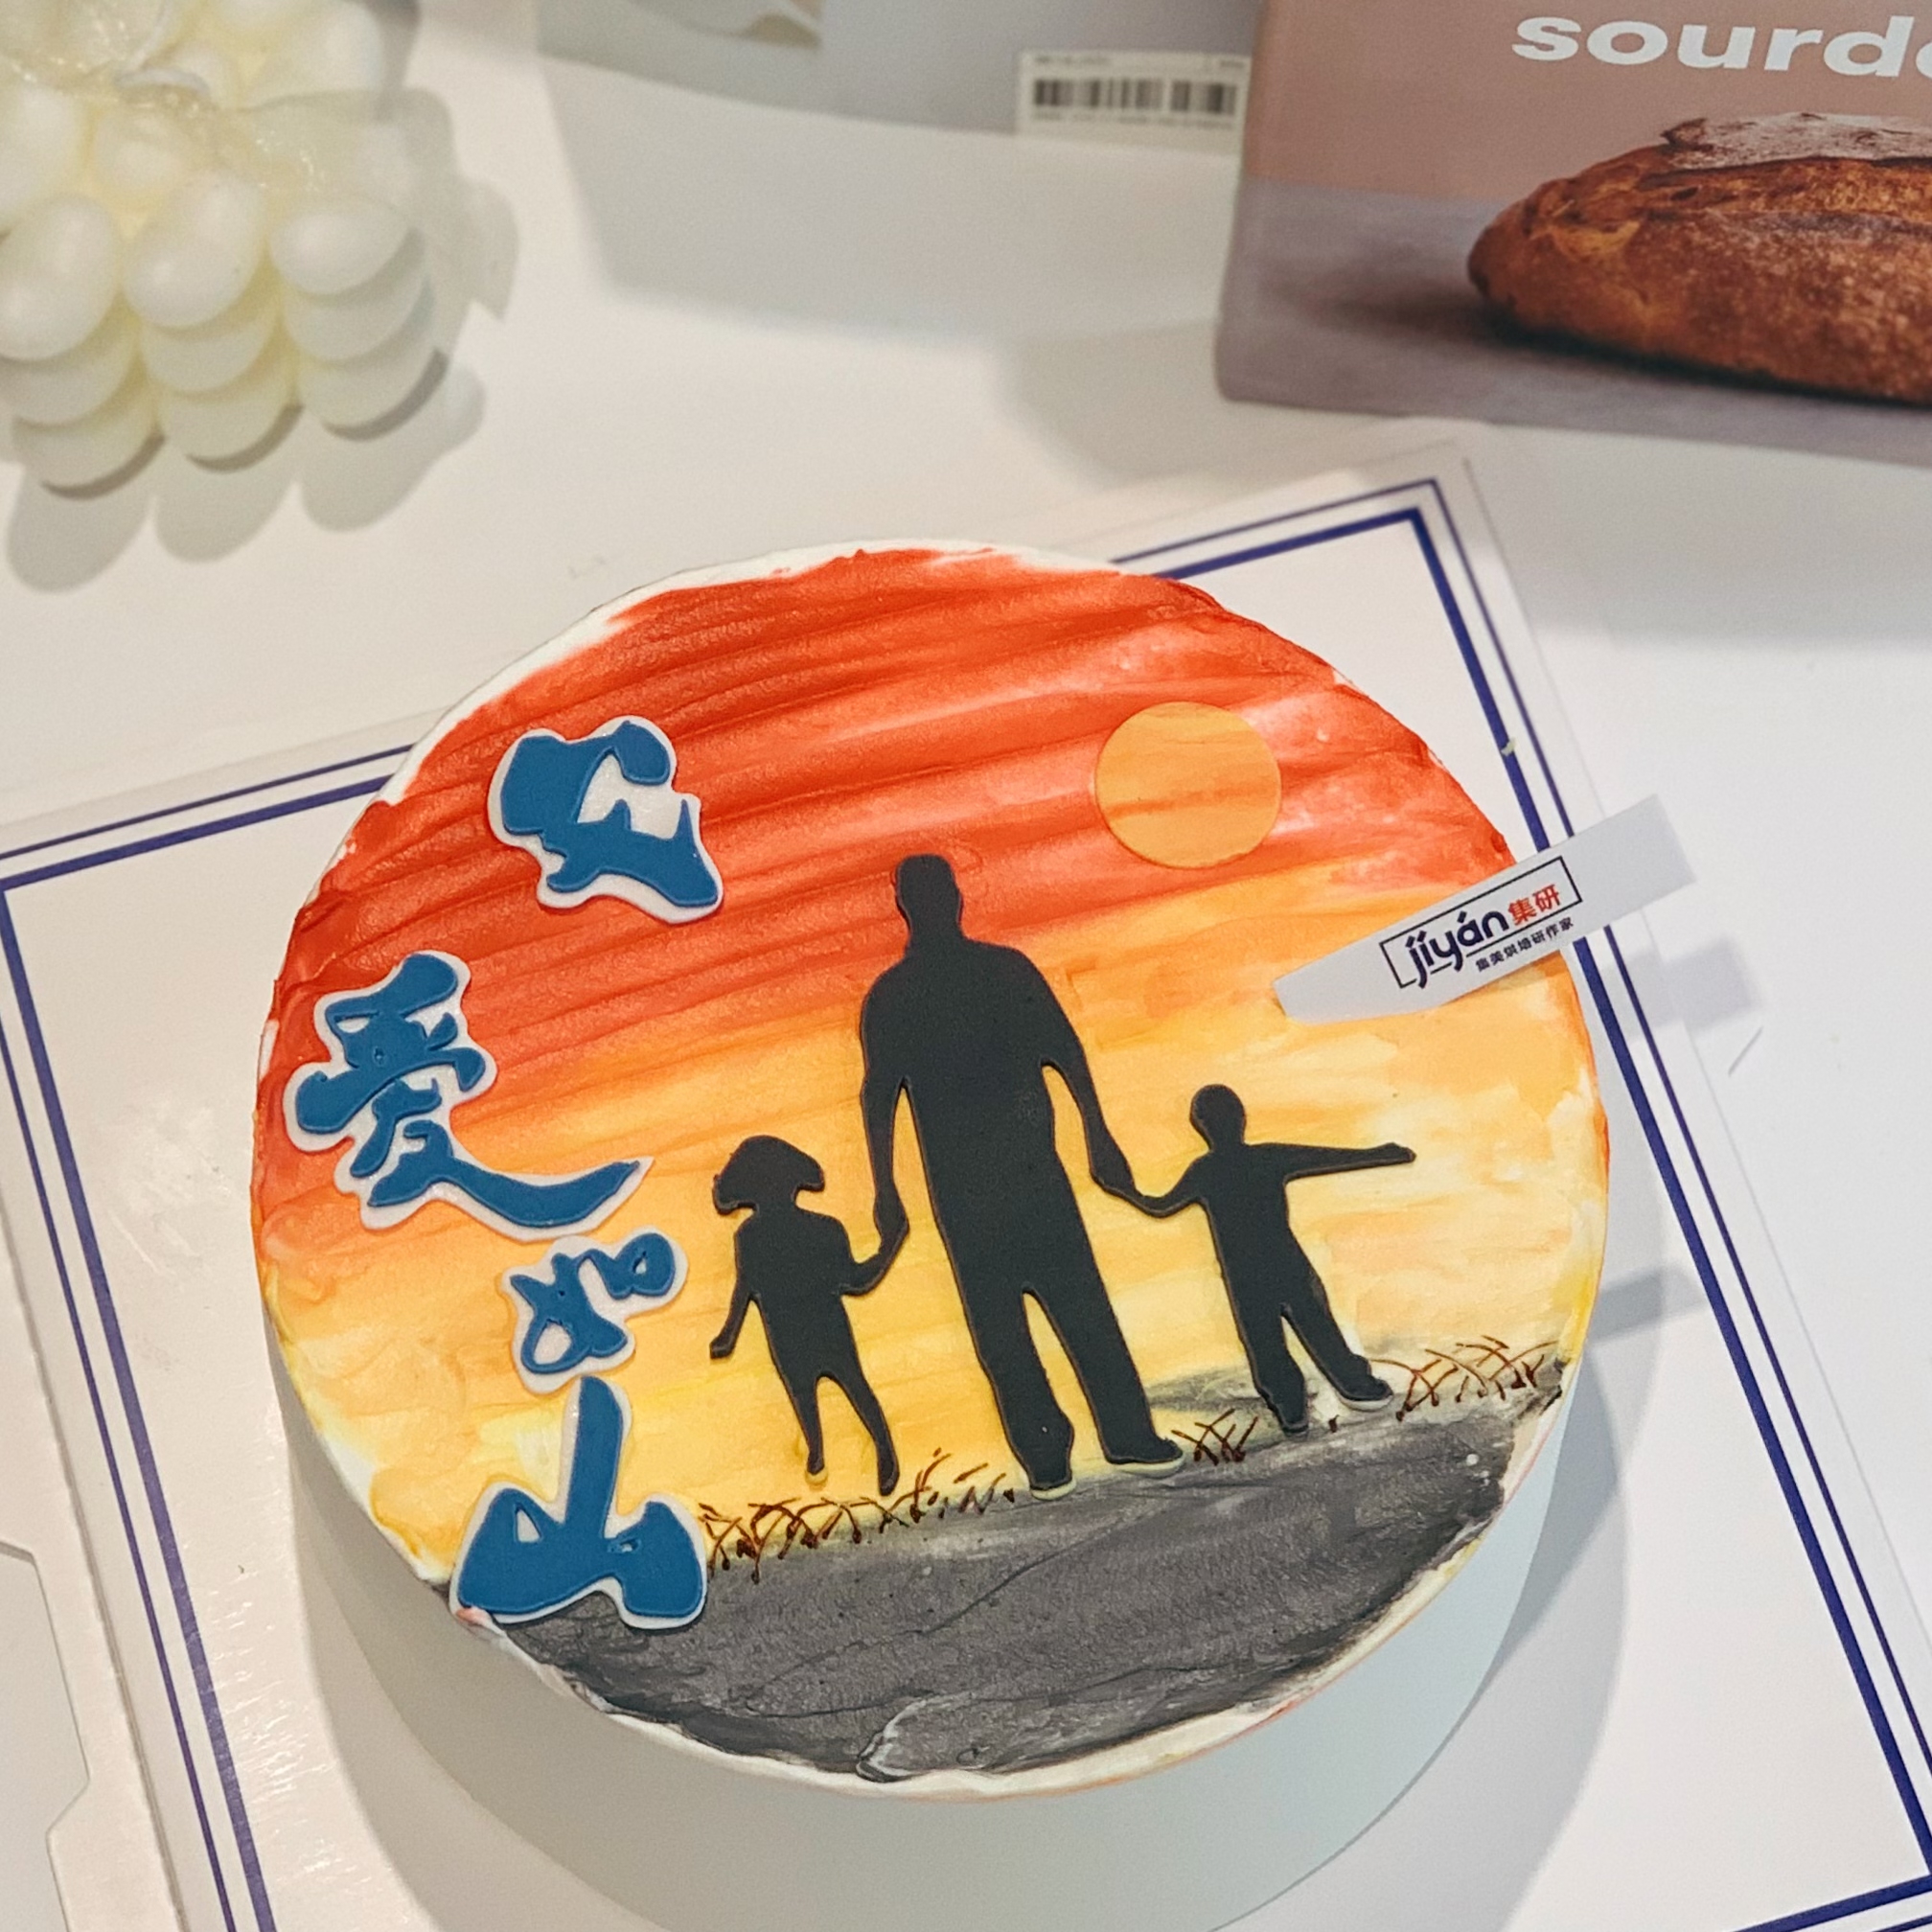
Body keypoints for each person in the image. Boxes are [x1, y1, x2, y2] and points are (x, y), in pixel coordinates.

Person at [860, 854, 1180, 1497]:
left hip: (1022, 1174)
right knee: (1010, 1329)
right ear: (920, 904)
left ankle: (1119, 1436)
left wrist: (1098, 1134)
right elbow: (879, 1096)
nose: (937, 903)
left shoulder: (990, 973)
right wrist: (886, 1190)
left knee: (1064, 1311)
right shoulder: (902, 994)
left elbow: (1064, 1051)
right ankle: (1050, 1452)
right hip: (973, 1188)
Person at [1135, 1085, 1412, 1437]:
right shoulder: (1261, 1157)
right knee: (1312, 1327)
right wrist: (1380, 1153)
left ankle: (1296, 1408)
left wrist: (1128, 1191)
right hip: (1284, 1263)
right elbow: (1322, 1158)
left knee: (1269, 1343)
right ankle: (1350, 1388)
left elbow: (1159, 1204)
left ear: (1203, 1126)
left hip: (1246, 1274)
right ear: (1240, 1119)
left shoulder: (1205, 1170)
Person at [709, 1135, 901, 1495]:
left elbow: (850, 1279)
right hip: (797, 1329)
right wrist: (728, 1334)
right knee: (818, 1389)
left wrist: (888, 1248)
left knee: (842, 1385)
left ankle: (876, 1446)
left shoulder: (798, 1232)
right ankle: (819, 1450)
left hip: (805, 1328)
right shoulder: (776, 1234)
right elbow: (746, 1287)